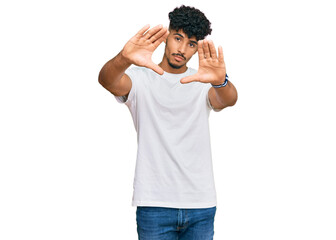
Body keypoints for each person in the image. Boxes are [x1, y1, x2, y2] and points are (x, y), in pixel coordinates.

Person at [98, 5, 238, 240]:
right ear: (167, 36)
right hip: (154, 204)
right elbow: (107, 80)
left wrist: (220, 81)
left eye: (191, 44)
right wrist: (124, 58)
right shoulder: (139, 79)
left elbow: (228, 99)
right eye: (178, 38)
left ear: (196, 48)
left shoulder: (202, 81)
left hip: (200, 204)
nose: (182, 49)